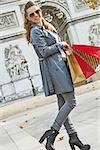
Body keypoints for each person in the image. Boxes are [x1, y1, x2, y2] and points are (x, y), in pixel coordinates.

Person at [24, 1, 91, 150]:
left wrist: (63, 50)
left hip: (59, 66)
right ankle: (52, 132)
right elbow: (43, 52)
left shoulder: (45, 27)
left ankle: (74, 137)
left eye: (37, 11)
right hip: (55, 70)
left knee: (63, 105)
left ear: (40, 11)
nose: (35, 15)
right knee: (71, 102)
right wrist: (60, 45)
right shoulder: (35, 31)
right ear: (27, 18)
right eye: (31, 14)